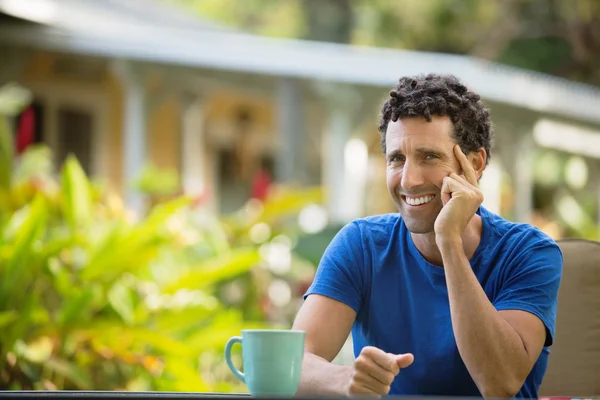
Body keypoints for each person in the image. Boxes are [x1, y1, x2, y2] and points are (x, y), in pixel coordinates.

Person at [292, 73, 563, 398]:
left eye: (429, 157)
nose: (408, 179)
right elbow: (296, 364)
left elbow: (499, 383)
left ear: (474, 164)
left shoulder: (529, 252)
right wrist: (345, 380)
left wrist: (448, 241)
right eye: (397, 159)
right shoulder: (362, 245)